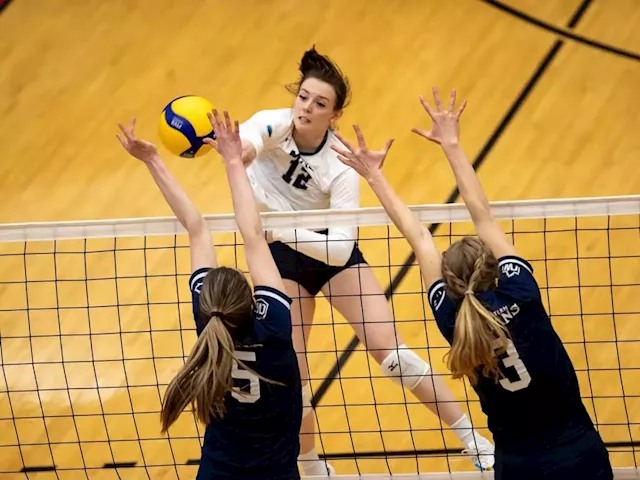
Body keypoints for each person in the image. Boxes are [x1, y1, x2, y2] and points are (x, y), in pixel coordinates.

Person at [231, 46, 495, 474]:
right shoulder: (272, 123)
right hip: (283, 262)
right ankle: (311, 464)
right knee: (290, 378)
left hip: (329, 257)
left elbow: (337, 249)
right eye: (304, 97)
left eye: (320, 104)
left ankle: (473, 440)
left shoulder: (340, 164)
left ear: (333, 115)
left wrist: (276, 229)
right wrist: (238, 153)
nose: (307, 108)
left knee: (392, 355)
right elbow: (245, 143)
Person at [332, 86, 613, 479]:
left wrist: (374, 175)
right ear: (494, 268)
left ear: (448, 284)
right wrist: (452, 145)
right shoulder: (522, 292)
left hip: (517, 467)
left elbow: (419, 238)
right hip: (580, 456)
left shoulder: (453, 320)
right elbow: (483, 217)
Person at [116, 111, 303, 479]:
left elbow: (196, 228)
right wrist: (233, 161)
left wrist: (153, 160)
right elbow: (252, 234)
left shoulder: (211, 321)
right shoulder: (273, 328)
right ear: (252, 301)